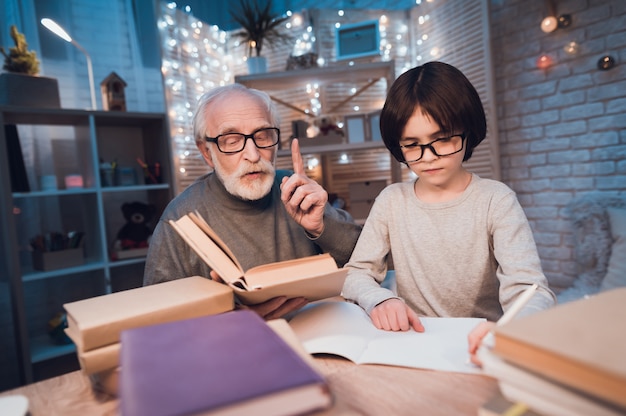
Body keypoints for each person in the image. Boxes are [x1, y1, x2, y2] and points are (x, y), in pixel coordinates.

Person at [340, 61, 556, 365]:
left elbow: (532, 291)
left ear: (467, 132)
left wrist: (511, 332)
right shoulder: (391, 201)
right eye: (412, 145)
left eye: (442, 140)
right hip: (414, 344)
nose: (428, 157)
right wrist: (381, 298)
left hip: (483, 345)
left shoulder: (496, 200)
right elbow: (355, 275)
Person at [144, 83, 361, 320]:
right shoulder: (179, 217)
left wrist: (321, 226)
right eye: (231, 140)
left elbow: (368, 265)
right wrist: (229, 322)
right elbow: (158, 321)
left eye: (262, 136)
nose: (253, 154)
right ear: (207, 152)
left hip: (321, 335)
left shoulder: (295, 189)